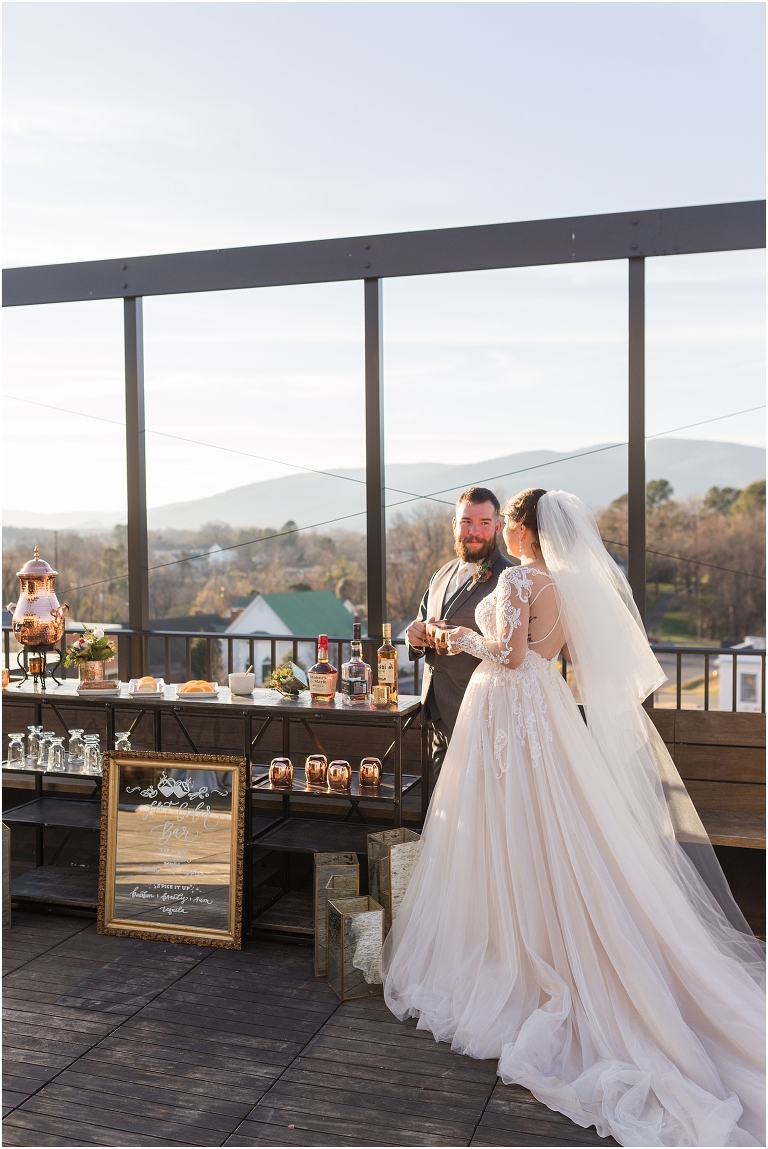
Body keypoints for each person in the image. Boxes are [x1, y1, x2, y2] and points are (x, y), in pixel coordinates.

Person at [383, 488, 765, 1149]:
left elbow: (505, 652)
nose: (497, 528)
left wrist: (452, 635)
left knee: (507, 832)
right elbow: (551, 655)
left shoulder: (519, 577)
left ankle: (514, 947)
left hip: (506, 708)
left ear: (524, 530)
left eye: (504, 520)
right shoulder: (566, 583)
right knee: (557, 830)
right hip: (548, 711)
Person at [405, 486, 513, 780]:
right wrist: (413, 637)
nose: (473, 531)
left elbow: (513, 650)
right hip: (434, 710)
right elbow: (420, 622)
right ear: (455, 525)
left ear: (498, 527)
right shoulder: (442, 573)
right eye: (466, 522)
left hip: (480, 712)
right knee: (442, 798)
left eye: (484, 523)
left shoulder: (511, 579)